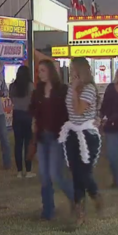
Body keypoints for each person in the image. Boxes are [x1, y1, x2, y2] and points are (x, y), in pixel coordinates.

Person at [59, 57, 103, 225]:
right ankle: (80, 213)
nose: (70, 73)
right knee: (75, 173)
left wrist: (76, 91)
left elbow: (78, 110)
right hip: (72, 133)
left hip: (87, 134)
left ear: (80, 70)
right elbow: (69, 111)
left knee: (83, 172)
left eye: (73, 70)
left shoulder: (88, 89)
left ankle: (95, 194)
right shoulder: (71, 88)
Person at [28, 60, 73, 221]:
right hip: (42, 136)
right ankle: (48, 209)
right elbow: (32, 108)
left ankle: (76, 200)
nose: (40, 74)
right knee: (44, 175)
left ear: (51, 72)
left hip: (57, 136)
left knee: (56, 174)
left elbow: (69, 112)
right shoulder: (38, 90)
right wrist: (34, 122)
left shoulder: (62, 90)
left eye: (43, 70)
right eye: (39, 71)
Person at [9, 65, 35, 178]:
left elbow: (11, 99)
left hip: (17, 114)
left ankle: (19, 171)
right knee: (28, 143)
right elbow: (33, 101)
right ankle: (28, 170)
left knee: (18, 144)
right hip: (28, 115)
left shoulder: (12, 86)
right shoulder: (30, 86)